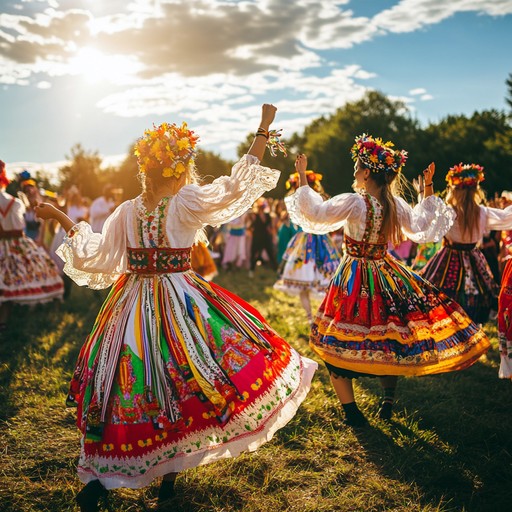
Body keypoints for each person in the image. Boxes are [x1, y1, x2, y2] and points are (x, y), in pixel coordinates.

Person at [35, 105, 317, 511]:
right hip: (180, 302)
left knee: (124, 384)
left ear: (146, 170)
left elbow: (96, 257)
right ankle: (161, 480)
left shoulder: (127, 210)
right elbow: (236, 185)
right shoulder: (185, 203)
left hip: (130, 305)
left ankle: (103, 475)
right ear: (182, 170)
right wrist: (262, 128)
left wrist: (61, 216)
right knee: (178, 383)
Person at [285, 136, 490, 427]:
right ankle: (387, 400)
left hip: (354, 275)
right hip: (386, 272)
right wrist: (428, 188)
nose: (354, 172)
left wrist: (303, 177)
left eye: (357, 168)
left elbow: (315, 215)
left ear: (367, 172)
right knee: (388, 339)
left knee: (337, 344)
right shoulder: (396, 205)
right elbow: (423, 226)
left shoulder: (355, 202)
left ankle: (352, 413)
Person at [420, 163, 512, 324]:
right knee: (475, 300)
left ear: (454, 190)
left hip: (448, 259)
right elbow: (506, 217)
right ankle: (472, 334)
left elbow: (429, 211)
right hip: (474, 260)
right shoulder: (481, 212)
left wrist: (428, 184)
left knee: (443, 299)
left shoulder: (449, 212)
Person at [0, 160, 64, 329]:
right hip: (21, 238)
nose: (29, 191)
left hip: (30, 237)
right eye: (26, 189)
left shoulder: (24, 202)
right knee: (21, 271)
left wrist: (41, 239)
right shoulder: (17, 203)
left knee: (23, 270)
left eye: (30, 188)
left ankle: (16, 311)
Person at [274, 169, 342, 325]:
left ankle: (312, 317)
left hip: (306, 240)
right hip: (320, 239)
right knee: (324, 280)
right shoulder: (321, 199)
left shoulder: (295, 200)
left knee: (312, 282)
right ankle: (319, 317)